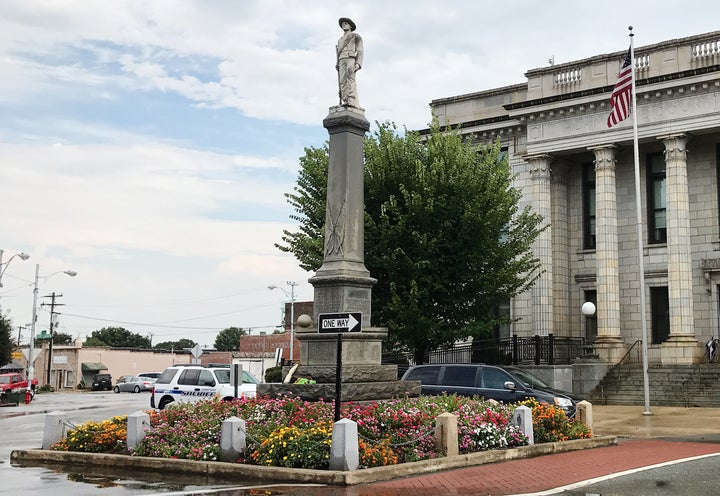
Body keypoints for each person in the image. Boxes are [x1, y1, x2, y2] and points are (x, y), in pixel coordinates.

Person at [336, 17, 363, 107]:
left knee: (350, 78)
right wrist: (337, 63)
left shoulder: (355, 36)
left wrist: (358, 63)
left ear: (350, 26)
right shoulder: (340, 40)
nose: (344, 25)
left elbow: (360, 50)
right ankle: (345, 100)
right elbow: (338, 53)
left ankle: (351, 99)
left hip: (351, 58)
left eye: (346, 23)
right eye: (343, 24)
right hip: (341, 60)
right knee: (342, 81)